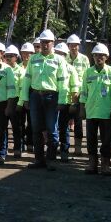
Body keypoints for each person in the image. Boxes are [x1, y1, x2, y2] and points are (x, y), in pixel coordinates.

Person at [20, 29, 70, 170]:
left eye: (47, 42)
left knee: (52, 129)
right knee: (36, 129)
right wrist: (25, 98)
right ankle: (39, 160)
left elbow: (63, 82)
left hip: (52, 97)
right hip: (35, 96)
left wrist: (62, 101)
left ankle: (51, 160)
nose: (45, 44)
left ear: (53, 43)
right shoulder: (33, 59)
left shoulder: (59, 60)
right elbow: (27, 79)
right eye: (42, 42)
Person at [80, 43, 111, 175]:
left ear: (106, 57)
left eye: (101, 55)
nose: (98, 57)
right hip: (91, 111)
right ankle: (92, 163)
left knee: (106, 140)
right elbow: (83, 92)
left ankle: (105, 165)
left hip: (106, 112)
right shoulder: (88, 72)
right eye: (96, 55)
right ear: (93, 57)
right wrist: (82, 109)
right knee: (91, 139)